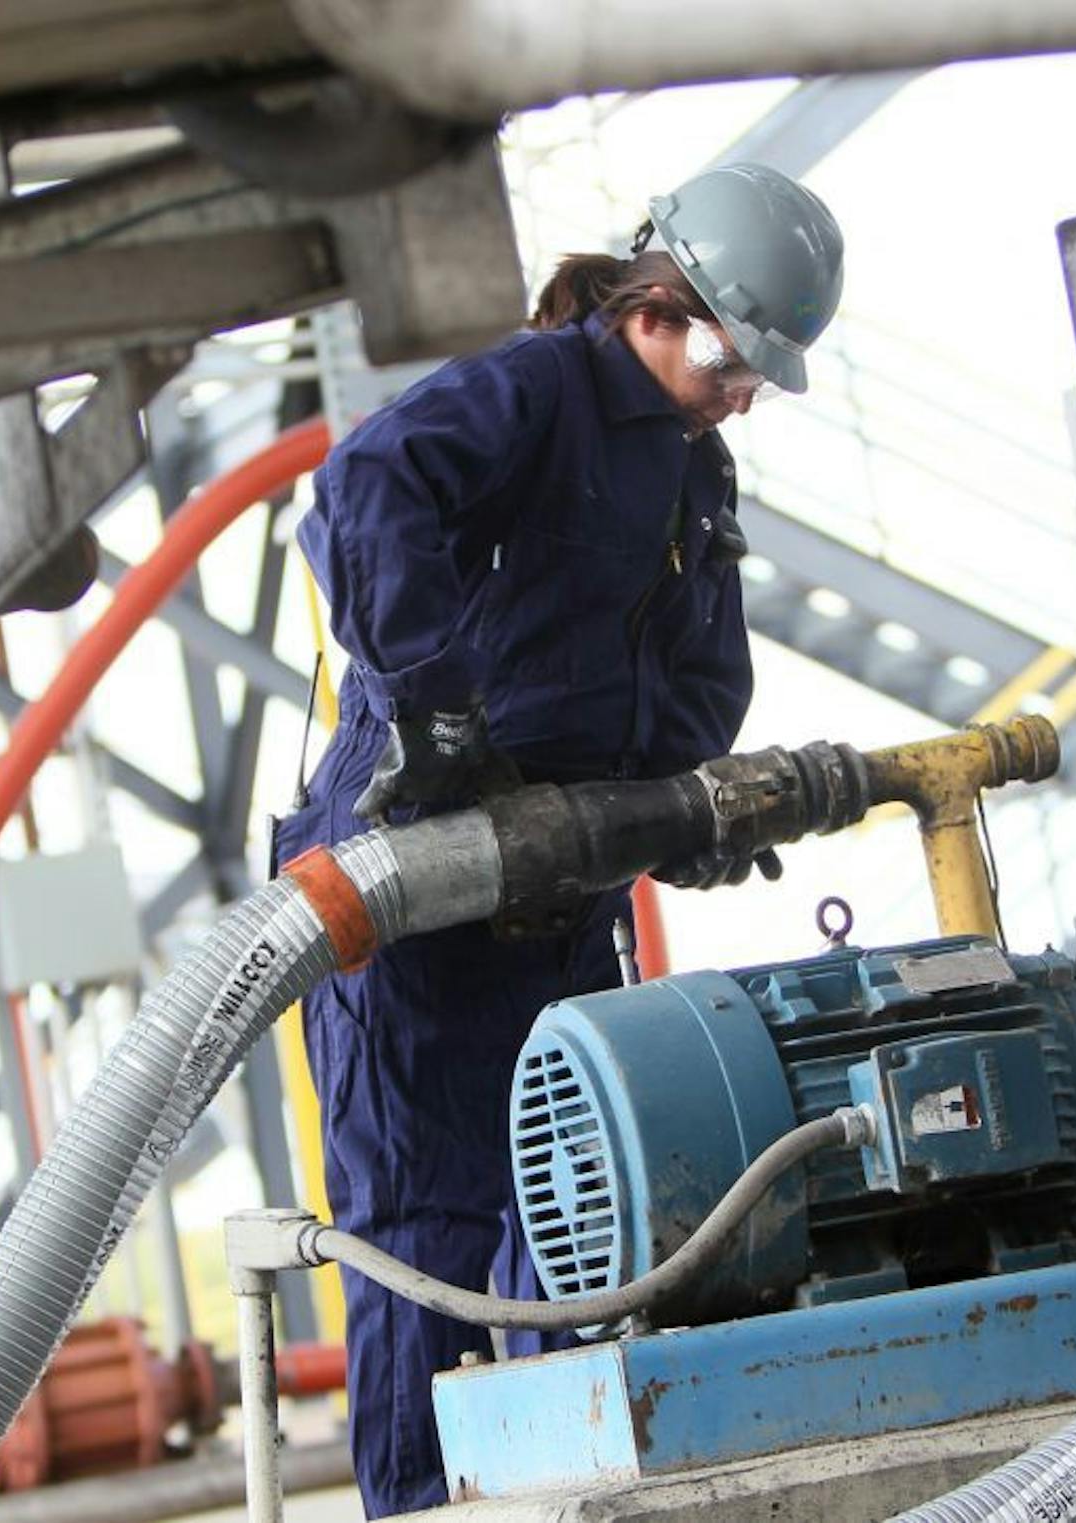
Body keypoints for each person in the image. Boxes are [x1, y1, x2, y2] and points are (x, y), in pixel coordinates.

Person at [272, 162, 844, 1517]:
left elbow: (696, 677)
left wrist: (687, 808)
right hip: (420, 913)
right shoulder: (537, 395)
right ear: (669, 306)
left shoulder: (694, 477)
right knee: (432, 1241)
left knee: (578, 1225)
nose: (745, 390)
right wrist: (438, 708)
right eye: (736, 358)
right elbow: (364, 493)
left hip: (560, 908)